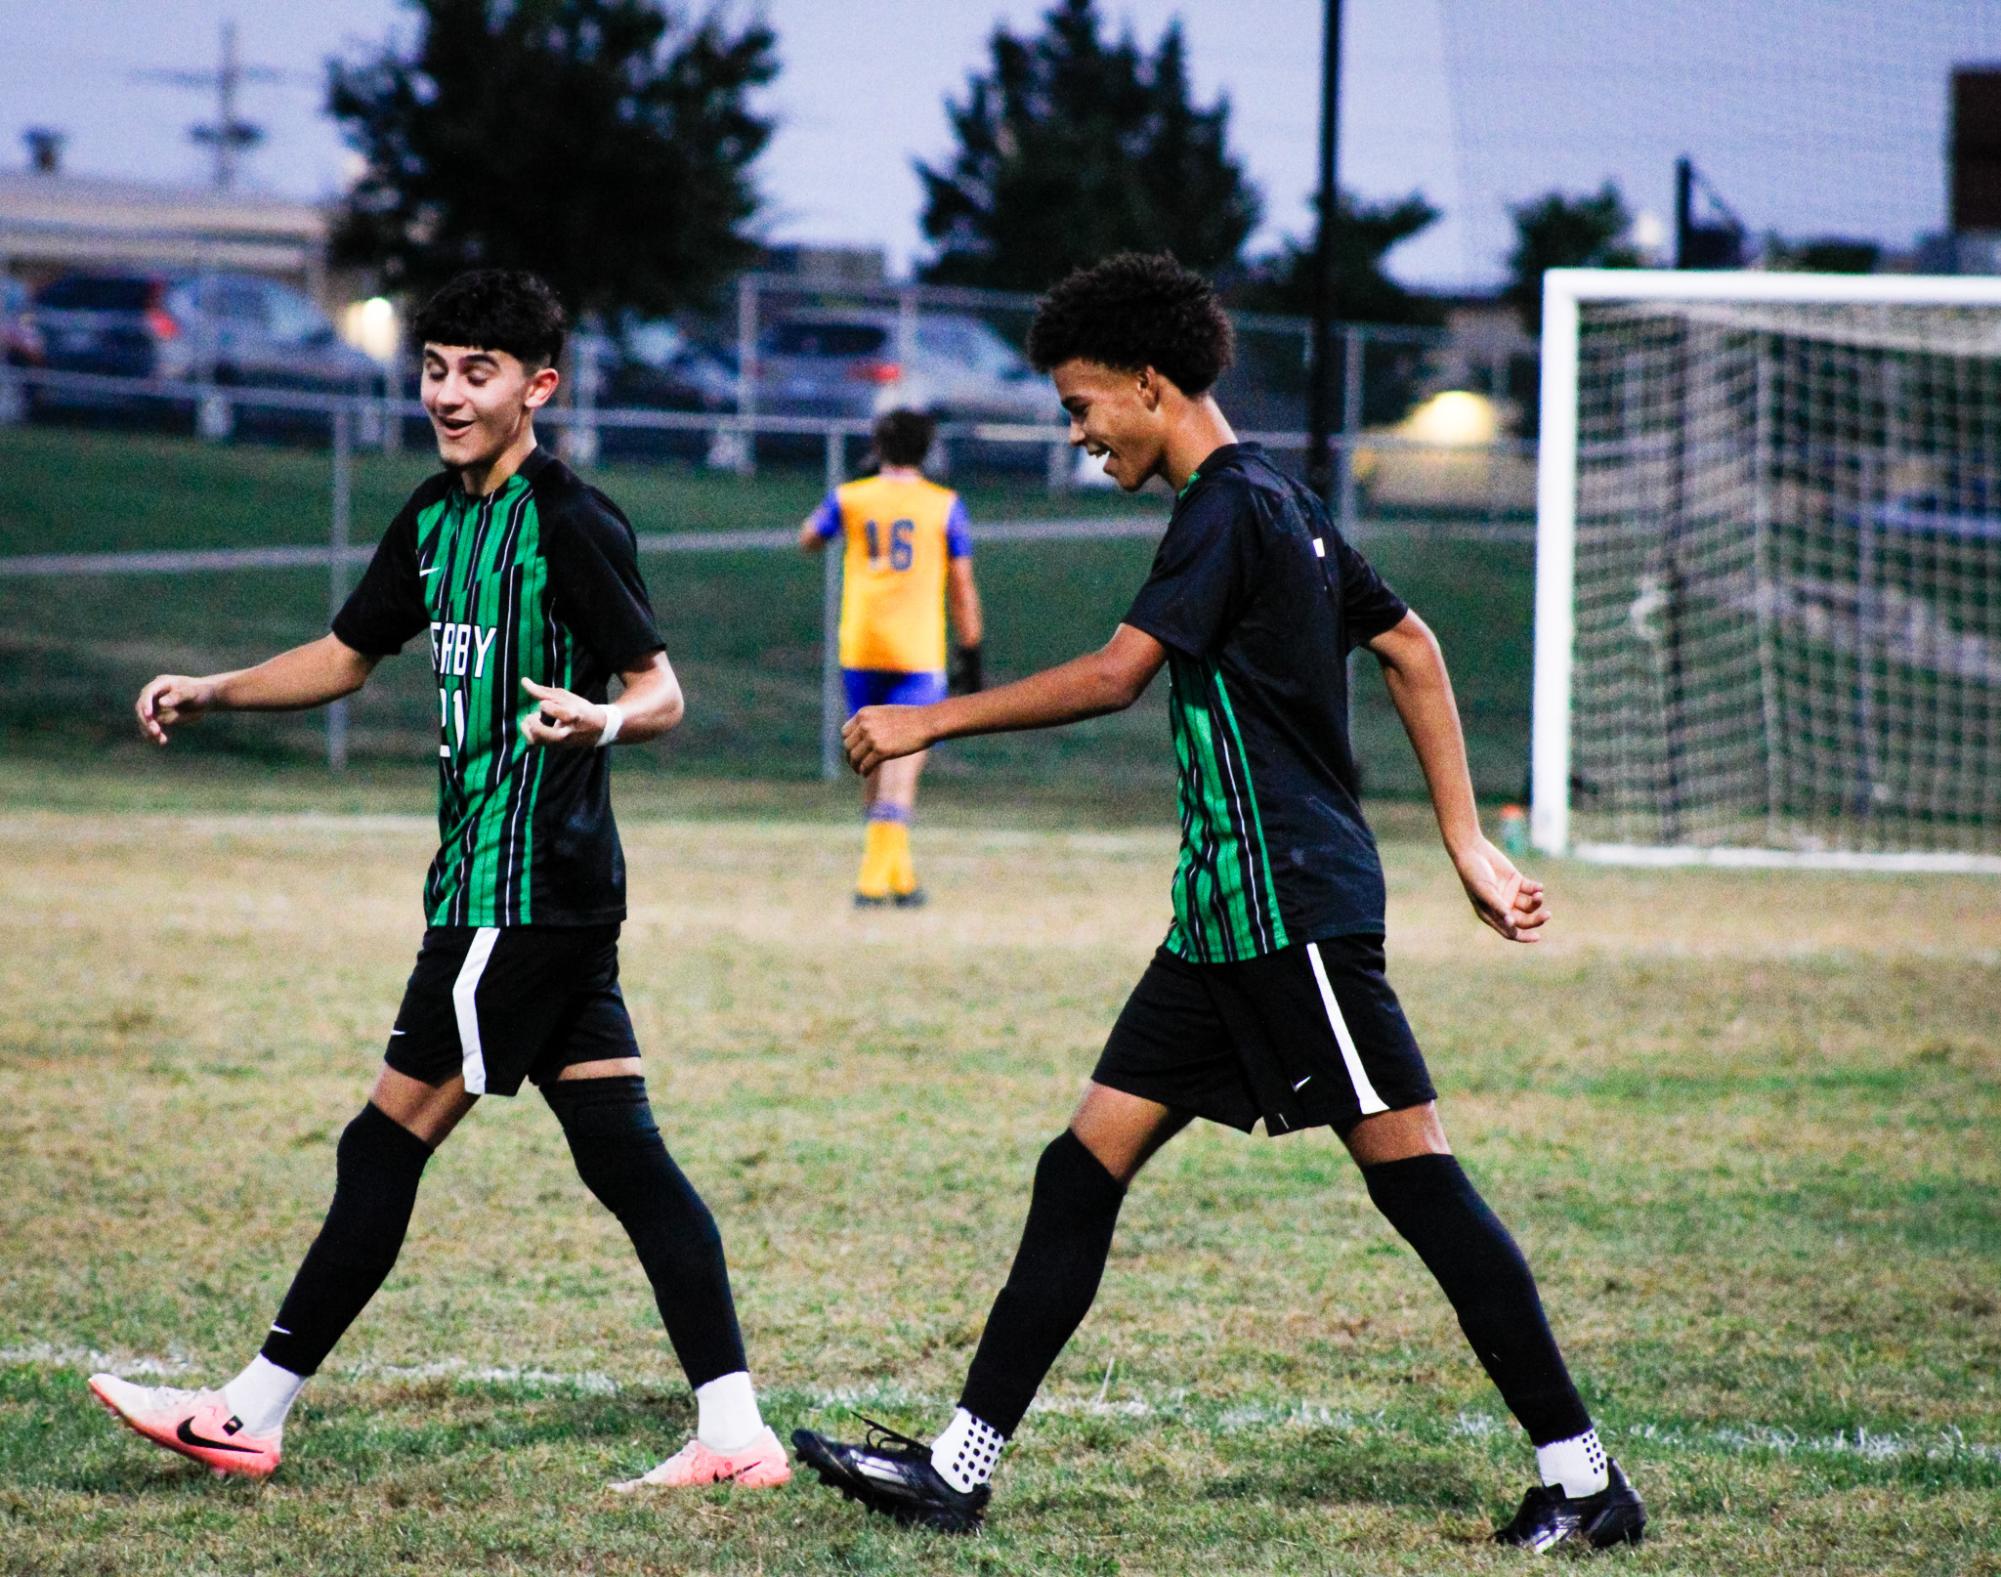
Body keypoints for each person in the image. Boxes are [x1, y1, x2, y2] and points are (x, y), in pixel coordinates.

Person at [790, 254, 1645, 1552]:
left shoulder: (1229, 508)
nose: (1076, 435)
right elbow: (1407, 643)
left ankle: (1586, 1481)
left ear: (1151, 384)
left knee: (1417, 1184)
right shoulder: (1277, 503)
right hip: (1221, 922)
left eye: (1083, 406)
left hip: (1290, 912)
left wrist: (930, 717)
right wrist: (1461, 843)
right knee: (1078, 1168)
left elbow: (1118, 674)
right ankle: (955, 1474)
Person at [92, 269, 790, 1492]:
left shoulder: (570, 521)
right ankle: (735, 1434)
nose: (450, 394)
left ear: (539, 387)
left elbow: (662, 690)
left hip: (515, 891)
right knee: (625, 1156)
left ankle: (250, 1409)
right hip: (522, 894)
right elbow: (347, 653)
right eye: (435, 368)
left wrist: (604, 720)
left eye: (480, 372)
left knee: (383, 1142)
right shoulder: (432, 516)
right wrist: (214, 686)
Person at [798, 408, 984, 907]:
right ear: (927, 450)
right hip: (917, 652)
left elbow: (809, 538)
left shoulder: (851, 497)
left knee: (873, 762)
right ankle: (871, 882)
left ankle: (897, 877)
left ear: (878, 447)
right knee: (902, 771)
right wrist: (972, 650)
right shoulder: (944, 506)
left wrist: (852, 499)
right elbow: (962, 586)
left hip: (861, 647)